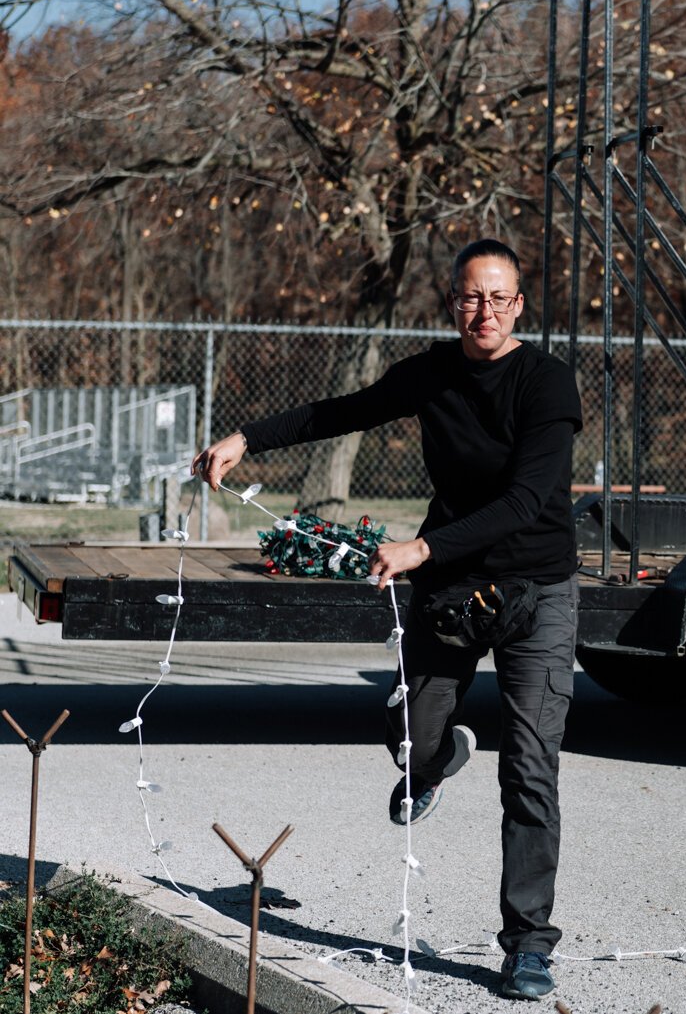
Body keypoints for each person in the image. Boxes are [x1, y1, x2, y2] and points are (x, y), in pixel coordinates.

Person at [191, 238, 581, 1002]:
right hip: (449, 589)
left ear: (520, 305)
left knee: (531, 767)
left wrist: (419, 545)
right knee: (410, 743)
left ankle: (528, 943)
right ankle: (437, 763)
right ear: (451, 302)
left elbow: (525, 503)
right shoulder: (434, 372)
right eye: (471, 296)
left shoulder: (546, 383)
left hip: (536, 592)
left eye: (499, 297)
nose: (485, 312)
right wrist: (245, 437)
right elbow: (344, 410)